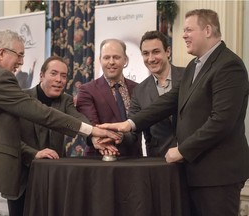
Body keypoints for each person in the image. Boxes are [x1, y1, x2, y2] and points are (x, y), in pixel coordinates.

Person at [99, 9, 249, 216]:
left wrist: (182, 150)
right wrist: (129, 124)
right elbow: (167, 102)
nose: (183, 35)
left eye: (188, 30)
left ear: (207, 30)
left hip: (217, 175)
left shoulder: (229, 65)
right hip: (195, 173)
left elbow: (221, 122)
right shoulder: (194, 66)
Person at [0, 29, 121, 216]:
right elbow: (42, 113)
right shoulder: (0, 78)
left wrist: (91, 134)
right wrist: (92, 131)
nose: (21, 62)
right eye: (19, 55)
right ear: (2, 52)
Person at [7, 56, 90, 216]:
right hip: (22, 180)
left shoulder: (66, 101)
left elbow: (80, 122)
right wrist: (34, 154)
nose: (59, 80)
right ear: (41, 75)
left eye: (64, 76)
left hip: (54, 181)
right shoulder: (21, 98)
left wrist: (95, 135)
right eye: (54, 73)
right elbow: (9, 138)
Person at [77, 38, 142, 156]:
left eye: (116, 57)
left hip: (134, 159)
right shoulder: (87, 90)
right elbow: (92, 127)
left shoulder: (138, 89)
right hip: (100, 158)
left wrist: (124, 137)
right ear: (100, 60)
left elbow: (140, 124)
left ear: (125, 60)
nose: (111, 62)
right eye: (106, 57)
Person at [129, 31, 184, 157]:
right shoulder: (139, 91)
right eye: (145, 54)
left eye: (156, 52)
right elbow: (133, 129)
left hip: (194, 158)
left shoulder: (189, 77)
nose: (151, 59)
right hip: (159, 161)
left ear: (168, 52)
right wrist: (115, 137)